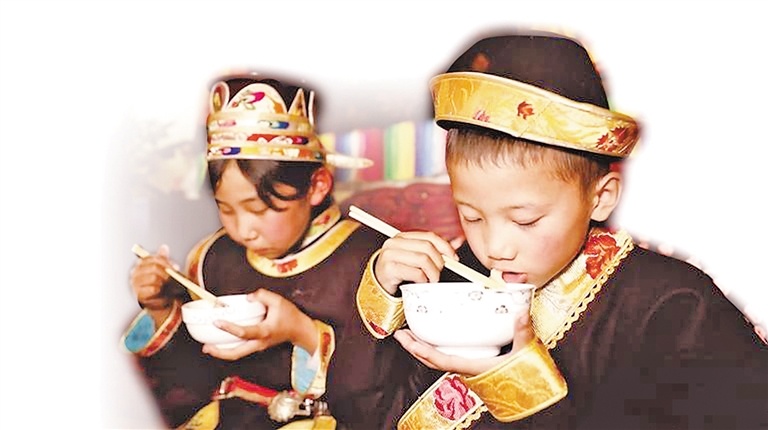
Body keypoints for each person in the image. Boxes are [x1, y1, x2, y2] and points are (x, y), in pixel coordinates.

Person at [355, 33, 768, 429]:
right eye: (472, 217)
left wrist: (522, 388)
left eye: (525, 220)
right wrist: (382, 294)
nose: (495, 248)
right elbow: (372, 415)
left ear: (601, 197)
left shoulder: (674, 304)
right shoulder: (458, 280)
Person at [121, 74, 424, 430]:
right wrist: (161, 307)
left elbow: (386, 396)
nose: (242, 230)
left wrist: (301, 332)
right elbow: (189, 381)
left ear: (317, 186)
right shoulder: (212, 257)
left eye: (260, 209)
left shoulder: (371, 263)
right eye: (226, 209)